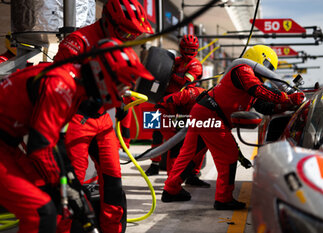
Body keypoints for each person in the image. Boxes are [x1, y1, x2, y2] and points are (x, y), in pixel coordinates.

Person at [0, 38, 153, 233]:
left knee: (56, 201)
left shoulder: (77, 88)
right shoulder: (62, 85)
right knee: (41, 212)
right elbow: (40, 147)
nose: (121, 92)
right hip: (4, 144)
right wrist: (67, 188)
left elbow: (58, 143)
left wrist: (72, 185)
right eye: (119, 85)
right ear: (102, 76)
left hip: (9, 143)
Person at [161, 45, 305, 210]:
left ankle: (170, 190)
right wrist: (286, 97)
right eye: (268, 67)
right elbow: (258, 90)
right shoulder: (242, 69)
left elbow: (264, 107)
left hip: (204, 112)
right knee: (228, 156)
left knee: (190, 155)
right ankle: (223, 199)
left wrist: (286, 104)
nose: (268, 72)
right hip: (211, 114)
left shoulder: (249, 82)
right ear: (261, 59)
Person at [53, 0, 153, 232]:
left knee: (113, 185)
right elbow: (60, 84)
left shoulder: (119, 43)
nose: (129, 37)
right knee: (70, 190)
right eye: (125, 31)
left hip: (103, 121)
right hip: (76, 120)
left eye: (133, 34)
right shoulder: (77, 43)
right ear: (107, 22)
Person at [145, 34, 203, 177]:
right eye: (187, 49)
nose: (189, 53)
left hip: (180, 105)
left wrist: (169, 74)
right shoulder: (175, 61)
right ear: (181, 48)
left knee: (176, 139)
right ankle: (154, 165)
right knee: (156, 134)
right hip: (162, 101)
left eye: (192, 50)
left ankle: (182, 173)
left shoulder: (196, 65)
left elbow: (185, 81)